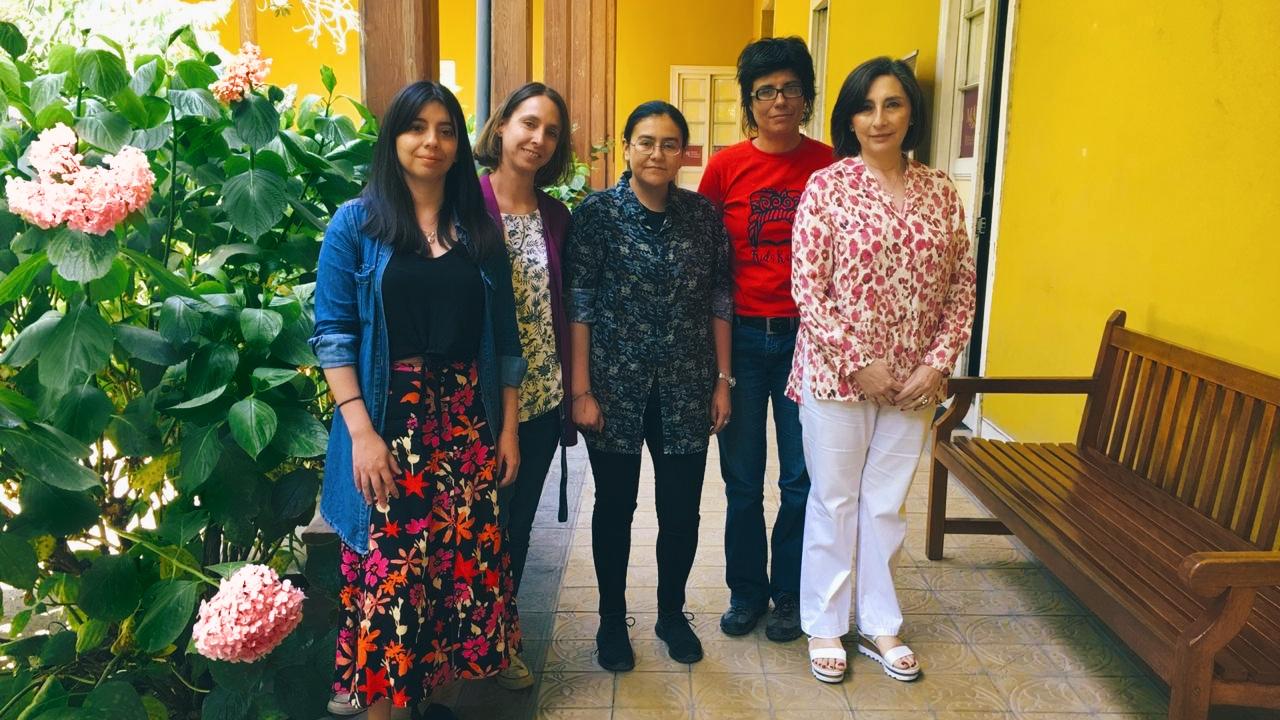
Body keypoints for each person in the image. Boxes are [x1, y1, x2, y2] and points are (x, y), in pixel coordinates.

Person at [311, 81, 527, 720]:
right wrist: (361, 432)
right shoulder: (357, 225)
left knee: (458, 576)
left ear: (460, 145)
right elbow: (333, 333)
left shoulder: (479, 232)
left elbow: (507, 342)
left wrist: (508, 430)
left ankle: (431, 702)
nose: (432, 142)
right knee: (395, 579)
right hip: (387, 419)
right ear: (394, 138)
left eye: (446, 130)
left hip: (465, 419)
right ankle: (386, 708)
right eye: (417, 127)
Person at [789, 57, 976, 684]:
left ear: (911, 113)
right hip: (838, 377)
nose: (878, 118)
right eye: (865, 106)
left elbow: (962, 288)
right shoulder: (828, 187)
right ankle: (824, 622)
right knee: (835, 499)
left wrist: (937, 364)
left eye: (892, 104)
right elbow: (809, 288)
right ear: (849, 117)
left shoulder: (942, 191)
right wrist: (856, 363)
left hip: (915, 383)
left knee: (886, 504)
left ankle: (879, 619)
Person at [565, 101, 733, 671]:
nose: (656, 153)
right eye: (645, 141)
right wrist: (581, 389)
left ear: (683, 152)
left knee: (681, 510)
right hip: (614, 388)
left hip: (686, 387)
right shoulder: (597, 215)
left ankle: (670, 613)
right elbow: (580, 304)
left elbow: (719, 301)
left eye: (668, 143)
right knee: (615, 507)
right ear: (627, 148)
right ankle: (612, 623)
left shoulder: (705, 218)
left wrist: (722, 381)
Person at [698, 36, 834, 642]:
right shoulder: (726, 168)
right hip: (745, 342)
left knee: (803, 479)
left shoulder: (832, 165)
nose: (779, 101)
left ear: (806, 95)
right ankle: (746, 591)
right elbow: (702, 257)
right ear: (749, 102)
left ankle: (791, 595)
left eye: (789, 89)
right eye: (765, 92)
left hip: (812, 340)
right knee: (744, 480)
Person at [473, 81, 575, 690]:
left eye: (552, 131)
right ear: (504, 124)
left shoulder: (557, 217)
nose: (538, 139)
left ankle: (501, 640)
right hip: (473, 403)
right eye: (529, 123)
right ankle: (455, 647)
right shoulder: (466, 204)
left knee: (515, 529)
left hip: (539, 400)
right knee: (470, 526)